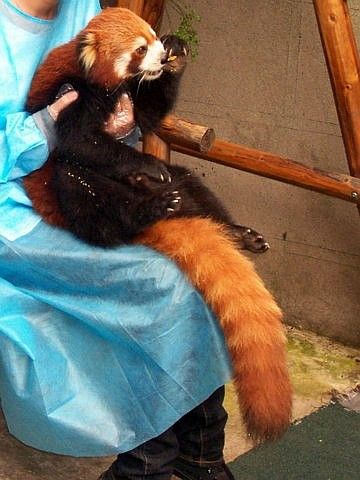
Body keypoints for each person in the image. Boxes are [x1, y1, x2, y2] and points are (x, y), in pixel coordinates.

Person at [0, 1, 235, 479]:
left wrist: (125, 119)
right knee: (157, 281)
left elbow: (109, 104)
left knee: (205, 259)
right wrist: (44, 128)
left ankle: (201, 455)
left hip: (76, 183)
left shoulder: (84, 6)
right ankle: (148, 463)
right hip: (11, 212)